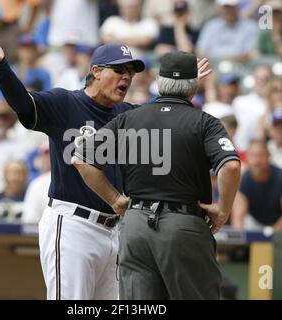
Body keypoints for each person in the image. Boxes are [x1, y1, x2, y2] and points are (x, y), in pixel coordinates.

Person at [0, 28, 212, 299]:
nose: (126, 77)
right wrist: (2, 66)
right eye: (119, 70)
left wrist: (183, 88)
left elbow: (162, 114)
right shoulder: (65, 102)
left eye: (130, 73)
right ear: (96, 71)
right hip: (73, 224)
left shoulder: (126, 115)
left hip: (114, 231)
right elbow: (22, 103)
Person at [72, 51, 241, 299]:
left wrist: (115, 200)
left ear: (159, 83)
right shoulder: (205, 122)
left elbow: (81, 158)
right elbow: (231, 167)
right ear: (193, 86)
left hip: (136, 226)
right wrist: (223, 209)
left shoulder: (128, 119)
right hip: (183, 225)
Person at [232, 139, 282, 231]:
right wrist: (238, 240)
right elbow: (238, 216)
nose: (257, 160)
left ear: (268, 156)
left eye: (261, 155)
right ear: (246, 157)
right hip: (255, 222)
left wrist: (273, 236)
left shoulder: (280, 177)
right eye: (253, 155)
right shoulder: (244, 180)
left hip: (278, 224)